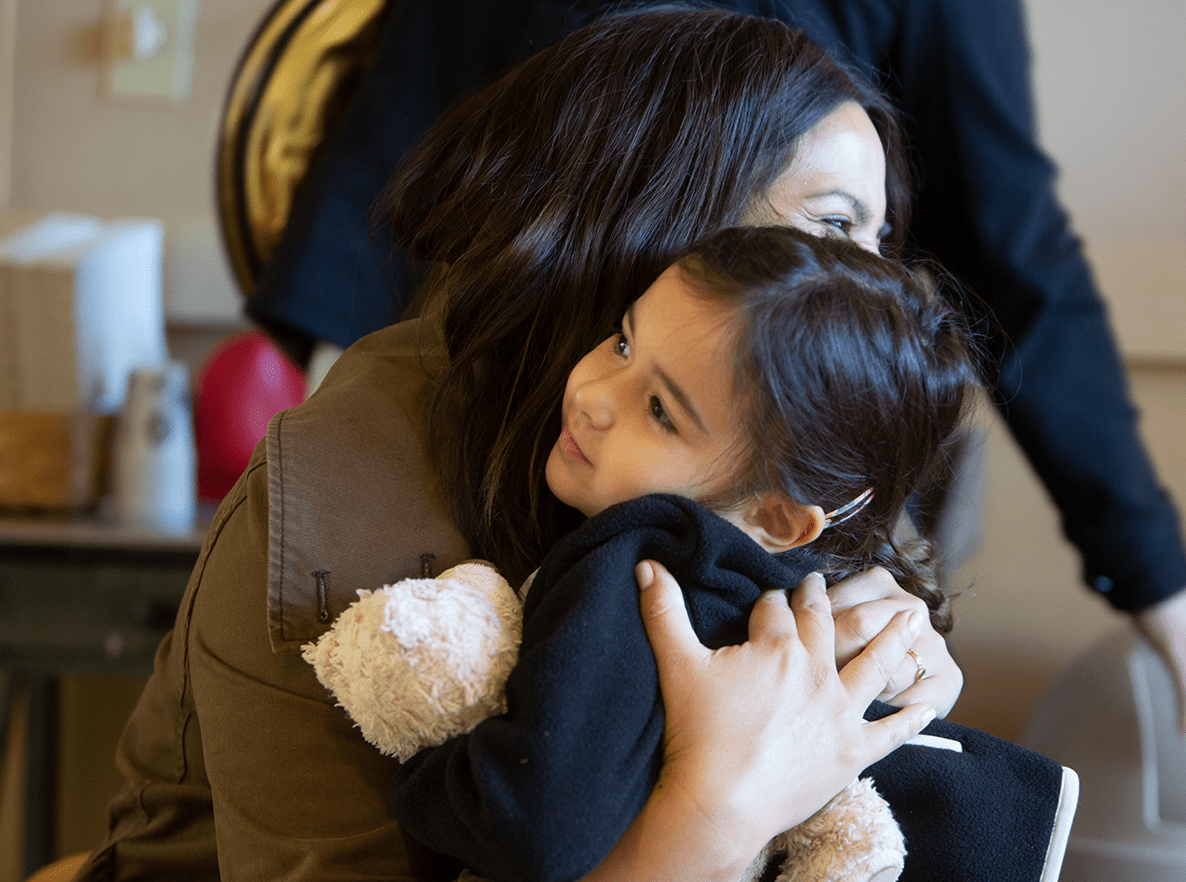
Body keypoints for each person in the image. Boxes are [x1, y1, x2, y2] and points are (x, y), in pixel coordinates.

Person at [75, 10, 959, 881]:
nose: (869, 283)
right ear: (668, 214)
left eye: (878, 240)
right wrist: (719, 814)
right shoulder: (346, 487)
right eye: (837, 226)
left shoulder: (790, 455)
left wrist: (900, 671)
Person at [245, 0, 1186, 716]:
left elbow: (1014, 248)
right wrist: (339, 473)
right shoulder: (379, 471)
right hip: (483, 404)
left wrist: (1163, 595)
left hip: (778, 428)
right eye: (830, 228)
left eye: (863, 235)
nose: (848, 267)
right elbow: (389, 138)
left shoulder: (825, 513)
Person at [309, 223, 1019, 882]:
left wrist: (427, 777)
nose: (592, 394)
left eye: (660, 410)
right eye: (623, 342)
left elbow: (537, 825)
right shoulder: (805, 609)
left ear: (777, 515)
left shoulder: (638, 570)